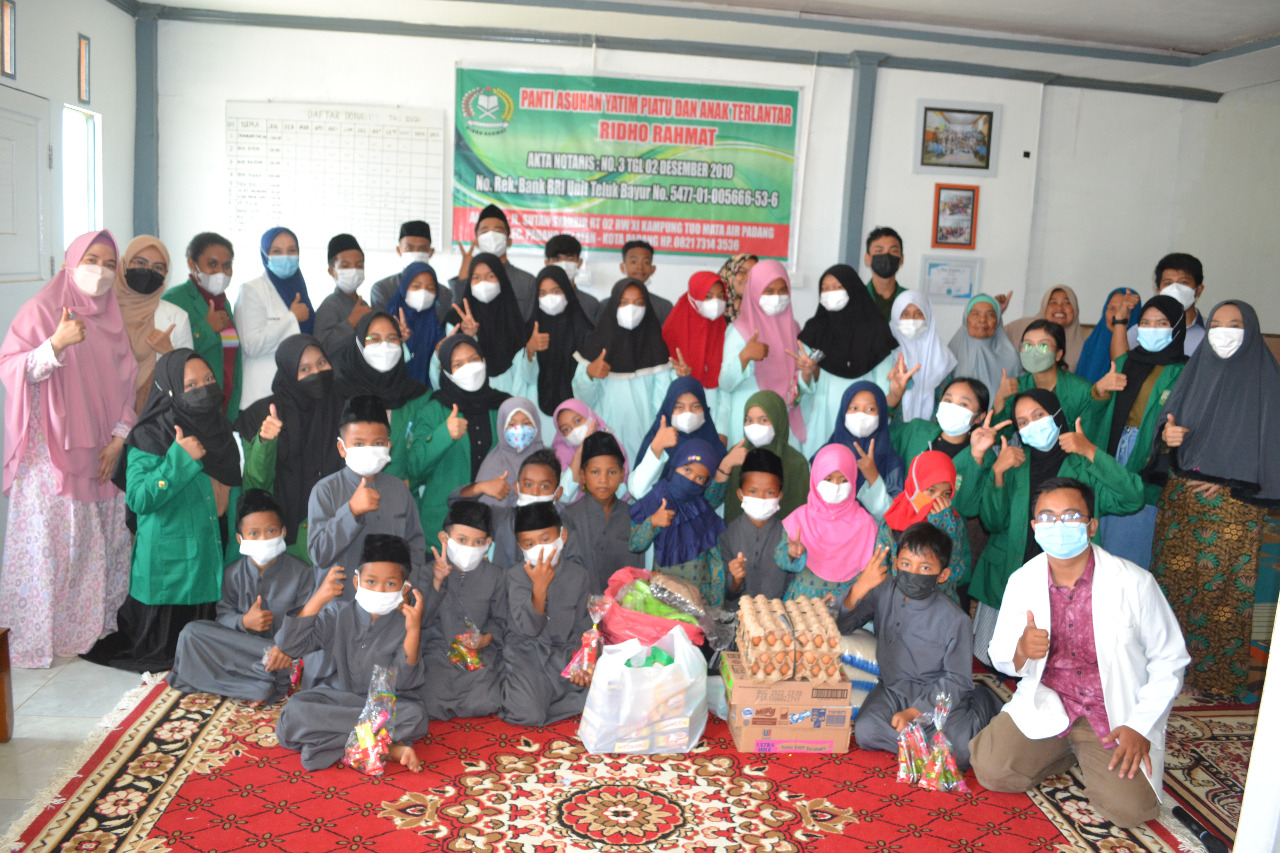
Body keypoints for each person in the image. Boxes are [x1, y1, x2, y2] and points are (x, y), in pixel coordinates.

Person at [969, 477, 1190, 829]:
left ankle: (1087, 752)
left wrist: (1139, 726)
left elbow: (1170, 660)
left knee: (1130, 812)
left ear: (1091, 525)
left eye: (1071, 516)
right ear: (1034, 527)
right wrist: (1022, 651)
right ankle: (1067, 753)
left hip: (1113, 714)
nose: (1058, 526)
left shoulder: (1134, 583)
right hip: (1051, 701)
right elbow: (998, 653)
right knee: (991, 770)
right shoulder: (1023, 580)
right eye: (1047, 517)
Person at [0, 230, 138, 668]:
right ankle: (36, 636)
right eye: (91, 258)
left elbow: (127, 385)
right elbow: (11, 368)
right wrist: (54, 344)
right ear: (69, 262)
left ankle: (86, 631)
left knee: (96, 546)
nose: (100, 270)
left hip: (101, 454)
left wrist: (119, 439)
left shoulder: (112, 320)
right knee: (51, 547)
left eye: (109, 263)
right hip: (51, 457)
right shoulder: (42, 310)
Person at [1146, 300, 1280, 700]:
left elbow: (1272, 451)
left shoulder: (1267, 383)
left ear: (1251, 330)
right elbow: (1166, 432)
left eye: (1234, 324)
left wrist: (1229, 482)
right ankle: (1171, 672)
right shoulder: (1196, 372)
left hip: (1237, 516)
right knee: (1174, 592)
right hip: (1182, 511)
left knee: (1223, 601)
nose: (1223, 331)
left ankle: (1222, 681)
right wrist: (1166, 440)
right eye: (1217, 323)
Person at [84, 349, 242, 673]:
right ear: (170, 390)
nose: (203, 388)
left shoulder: (219, 429)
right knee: (168, 661)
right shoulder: (148, 434)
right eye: (191, 384)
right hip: (168, 571)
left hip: (207, 561)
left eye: (208, 380)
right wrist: (179, 459)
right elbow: (139, 499)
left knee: (208, 657)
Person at [968, 389, 1145, 666]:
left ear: (1057, 415)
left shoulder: (1083, 465)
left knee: (1059, 665)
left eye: (1039, 415)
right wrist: (998, 474)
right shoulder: (1014, 463)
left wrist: (1089, 450)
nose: (1032, 425)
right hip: (1009, 574)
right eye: (1023, 422)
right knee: (1001, 659)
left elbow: (1132, 498)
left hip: (1066, 580)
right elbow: (993, 522)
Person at [839, 524, 1001, 770]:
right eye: (906, 564)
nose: (913, 573)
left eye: (925, 568)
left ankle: (982, 700)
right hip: (893, 689)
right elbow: (843, 625)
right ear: (895, 563)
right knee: (865, 732)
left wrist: (915, 712)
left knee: (961, 754)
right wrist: (860, 587)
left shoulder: (955, 619)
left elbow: (956, 680)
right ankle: (928, 750)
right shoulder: (884, 590)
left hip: (937, 695)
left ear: (942, 575)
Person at [276, 533, 429, 772]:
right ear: (357, 582)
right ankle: (383, 747)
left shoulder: (405, 623)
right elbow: (290, 645)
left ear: (404, 588)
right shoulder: (337, 613)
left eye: (390, 584)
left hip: (380, 707)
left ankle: (326, 743)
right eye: (371, 581)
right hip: (333, 699)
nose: (379, 590)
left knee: (416, 716)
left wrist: (413, 631)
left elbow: (407, 681)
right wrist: (318, 599)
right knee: (292, 715)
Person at [167, 490, 315, 702]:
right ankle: (259, 685)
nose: (264, 539)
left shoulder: (302, 574)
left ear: (283, 532)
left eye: (271, 530)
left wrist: (284, 647)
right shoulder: (232, 573)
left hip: (282, 654)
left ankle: (259, 683)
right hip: (244, 650)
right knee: (191, 633)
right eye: (254, 533)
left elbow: (305, 624)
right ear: (240, 538)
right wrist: (243, 621)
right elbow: (223, 617)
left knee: (297, 658)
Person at [1091, 296, 1188, 569]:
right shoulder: (1127, 362)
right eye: (1145, 322)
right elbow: (1100, 406)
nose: (1151, 328)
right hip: (1114, 450)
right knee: (1102, 538)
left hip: (1150, 457)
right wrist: (1098, 391)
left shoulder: (1185, 370)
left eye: (1161, 323)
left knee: (1130, 541)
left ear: (1177, 327)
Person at [236, 334, 345, 564]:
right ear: (288, 373)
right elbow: (255, 485)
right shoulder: (262, 414)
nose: (316, 372)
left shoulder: (344, 405)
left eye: (321, 363)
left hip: (339, 533)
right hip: (285, 542)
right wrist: (265, 442)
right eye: (304, 369)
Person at [306, 395, 428, 598]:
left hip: (389, 606)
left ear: (388, 446)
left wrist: (408, 586)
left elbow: (415, 546)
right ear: (341, 448)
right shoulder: (325, 491)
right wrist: (351, 512)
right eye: (359, 443)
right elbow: (319, 554)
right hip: (340, 608)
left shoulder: (399, 490)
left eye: (378, 442)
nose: (369, 449)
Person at [388, 334, 506, 538]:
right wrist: (444, 435)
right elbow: (414, 467)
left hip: (494, 522)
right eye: (457, 364)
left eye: (474, 359)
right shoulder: (433, 409)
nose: (468, 367)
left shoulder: (503, 406)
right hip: (443, 523)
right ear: (447, 372)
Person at [500, 502, 593, 726]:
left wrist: (584, 662)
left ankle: (545, 698)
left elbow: (584, 627)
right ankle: (518, 691)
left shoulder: (577, 575)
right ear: (520, 546)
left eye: (545, 540)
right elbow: (530, 629)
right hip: (527, 654)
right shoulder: (516, 576)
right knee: (529, 715)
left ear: (562, 536)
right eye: (529, 544)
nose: (538, 549)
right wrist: (539, 587)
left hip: (564, 654)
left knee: (606, 694)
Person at [420, 499, 507, 720]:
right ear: (444, 538)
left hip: (478, 654)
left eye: (478, 542)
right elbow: (421, 621)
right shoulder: (427, 571)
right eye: (461, 540)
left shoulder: (496, 575)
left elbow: (500, 620)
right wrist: (437, 583)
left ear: (488, 542)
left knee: (487, 702)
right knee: (431, 703)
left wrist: (486, 640)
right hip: (437, 653)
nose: (470, 547)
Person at [571, 278, 674, 459]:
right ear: (613, 306)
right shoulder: (595, 348)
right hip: (604, 438)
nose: (631, 309)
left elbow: (662, 402)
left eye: (638, 303)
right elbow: (582, 399)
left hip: (646, 438)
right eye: (623, 303)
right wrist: (590, 375)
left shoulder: (656, 349)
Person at [629, 439, 730, 606]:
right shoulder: (656, 500)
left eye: (699, 478)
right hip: (662, 600)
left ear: (706, 483)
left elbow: (716, 564)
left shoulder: (704, 513)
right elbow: (635, 544)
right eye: (687, 470)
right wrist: (652, 522)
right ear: (675, 466)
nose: (690, 479)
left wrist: (715, 607)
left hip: (699, 601)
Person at [718, 259, 803, 447]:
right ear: (755, 291)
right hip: (748, 420)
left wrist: (808, 372)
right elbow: (725, 383)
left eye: (782, 290)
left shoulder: (793, 328)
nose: (777, 297)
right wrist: (745, 356)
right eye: (769, 291)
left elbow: (799, 381)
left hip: (783, 418)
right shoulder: (739, 331)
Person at [779, 444, 878, 602]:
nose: (836, 487)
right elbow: (779, 558)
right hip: (801, 602)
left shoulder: (865, 524)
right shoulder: (799, 518)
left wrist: (846, 598)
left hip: (843, 605)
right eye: (828, 479)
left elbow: (870, 574)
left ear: (853, 480)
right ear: (816, 477)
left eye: (844, 480)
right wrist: (790, 552)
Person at [163, 232, 242, 420]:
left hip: (224, 408)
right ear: (192, 264)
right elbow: (168, 358)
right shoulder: (174, 300)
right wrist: (206, 328)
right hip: (191, 409)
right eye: (212, 264)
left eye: (226, 265)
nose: (220, 272)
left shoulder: (224, 303)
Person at [235, 227, 315, 407]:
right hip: (261, 397)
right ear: (265, 255)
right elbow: (251, 345)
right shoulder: (252, 290)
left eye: (292, 251)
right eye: (277, 251)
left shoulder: (300, 291)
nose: (286, 257)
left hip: (295, 394)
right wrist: (292, 318)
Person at [877, 451, 971, 603]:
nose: (937, 500)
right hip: (897, 604)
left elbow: (955, 573)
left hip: (939, 607)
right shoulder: (891, 522)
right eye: (931, 491)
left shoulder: (953, 522)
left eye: (946, 494)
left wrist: (945, 528)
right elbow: (879, 570)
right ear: (913, 487)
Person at [115, 235, 193, 414]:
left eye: (158, 267)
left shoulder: (177, 317)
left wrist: (168, 352)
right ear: (125, 264)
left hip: (152, 411)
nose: (148, 271)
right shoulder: (103, 309)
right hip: (104, 405)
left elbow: (189, 377)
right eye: (140, 263)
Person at [993, 320, 1104, 442]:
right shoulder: (1016, 387)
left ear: (1058, 354)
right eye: (1028, 345)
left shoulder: (1082, 391)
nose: (1034, 352)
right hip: (1030, 458)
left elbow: (1090, 443)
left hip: (1071, 458)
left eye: (1043, 346)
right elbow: (1000, 436)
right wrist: (1000, 398)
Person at [439, 252, 532, 396]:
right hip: (465, 399)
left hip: (508, 399)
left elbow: (521, 373)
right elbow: (447, 366)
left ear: (501, 279)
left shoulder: (513, 319)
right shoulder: (456, 320)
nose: (483, 283)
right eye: (476, 277)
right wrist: (468, 336)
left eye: (490, 276)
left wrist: (512, 406)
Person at [562, 432, 634, 594]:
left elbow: (635, 572)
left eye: (612, 472)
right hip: (582, 609)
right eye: (595, 472)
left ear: (622, 474)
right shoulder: (570, 517)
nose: (603, 480)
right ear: (582, 476)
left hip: (624, 609)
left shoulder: (631, 516)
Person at [722, 390, 809, 523]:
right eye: (749, 420)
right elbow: (712, 500)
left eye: (763, 420)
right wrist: (726, 465)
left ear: (777, 420)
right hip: (736, 539)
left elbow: (802, 514)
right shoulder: (736, 454)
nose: (755, 426)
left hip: (784, 540)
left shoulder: (796, 463)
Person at [628, 377, 724, 497]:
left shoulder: (712, 442)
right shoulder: (658, 439)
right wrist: (657, 447)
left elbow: (716, 496)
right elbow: (637, 491)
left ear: (704, 409)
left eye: (695, 407)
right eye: (679, 407)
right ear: (668, 410)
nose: (688, 413)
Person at [822, 380, 907, 512]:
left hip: (872, 531)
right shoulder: (824, 457)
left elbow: (896, 515)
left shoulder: (892, 462)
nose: (861, 415)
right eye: (854, 408)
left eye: (870, 409)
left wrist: (873, 477)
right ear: (843, 412)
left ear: (882, 414)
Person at [525, 265, 595, 423]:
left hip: (577, 415)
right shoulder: (528, 330)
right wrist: (530, 350)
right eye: (542, 293)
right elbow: (525, 379)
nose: (549, 298)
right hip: (536, 413)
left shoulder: (585, 331)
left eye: (556, 291)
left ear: (567, 292)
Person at [721, 448, 792, 601]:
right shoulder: (727, 534)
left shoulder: (788, 534)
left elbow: (792, 585)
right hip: (737, 617)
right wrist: (735, 579)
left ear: (779, 496)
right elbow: (725, 593)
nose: (761, 498)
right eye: (753, 491)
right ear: (740, 495)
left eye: (769, 492)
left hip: (778, 617)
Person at [1112, 253, 1209, 362]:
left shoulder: (1211, 331)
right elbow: (1120, 365)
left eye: (1183, 282)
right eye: (1168, 283)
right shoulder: (1143, 329)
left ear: (1198, 290)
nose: (1175, 289)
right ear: (1159, 291)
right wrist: (1120, 319)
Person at [450, 204, 538, 320]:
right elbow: (457, 314)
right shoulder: (468, 278)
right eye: (485, 231)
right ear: (476, 241)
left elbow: (530, 321)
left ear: (509, 241)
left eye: (498, 231)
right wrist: (464, 276)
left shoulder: (527, 281)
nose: (491, 235)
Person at [329, 310, 428, 410]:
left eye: (392, 338)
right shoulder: (338, 397)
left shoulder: (417, 395)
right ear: (359, 344)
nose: (385, 346)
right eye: (374, 339)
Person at [661, 271, 728, 414]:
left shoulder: (724, 328)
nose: (715, 302)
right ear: (693, 297)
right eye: (708, 296)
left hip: (717, 410)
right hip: (681, 410)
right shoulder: (673, 330)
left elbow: (727, 382)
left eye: (720, 296)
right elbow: (660, 380)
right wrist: (681, 374)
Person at [890, 290, 957, 421]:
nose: (912, 320)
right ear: (896, 316)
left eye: (919, 314)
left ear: (928, 316)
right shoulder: (886, 352)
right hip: (892, 431)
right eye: (905, 314)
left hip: (930, 431)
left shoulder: (943, 357)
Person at [383, 261, 447, 388]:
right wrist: (396, 340)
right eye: (416, 287)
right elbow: (368, 342)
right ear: (404, 287)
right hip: (393, 395)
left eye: (430, 288)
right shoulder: (386, 319)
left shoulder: (436, 324)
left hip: (428, 396)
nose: (423, 293)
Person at [550, 399, 628, 502]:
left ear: (589, 416)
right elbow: (564, 495)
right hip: (575, 513)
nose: (574, 430)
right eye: (566, 429)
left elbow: (620, 488)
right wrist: (581, 449)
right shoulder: (561, 453)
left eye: (578, 421)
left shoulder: (608, 442)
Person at [947, 294, 1020, 402]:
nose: (982, 320)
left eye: (990, 315)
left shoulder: (1011, 358)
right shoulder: (948, 355)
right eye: (975, 314)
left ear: (998, 320)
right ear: (966, 318)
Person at [370, 220, 451, 318]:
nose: (416, 253)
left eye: (422, 249)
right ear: (399, 251)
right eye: (409, 248)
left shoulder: (444, 294)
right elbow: (375, 330)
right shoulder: (383, 289)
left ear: (431, 252)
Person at [313, 233, 370, 359]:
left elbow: (367, 338)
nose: (354, 270)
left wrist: (374, 337)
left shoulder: (363, 305)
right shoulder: (329, 306)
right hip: (339, 377)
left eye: (359, 265)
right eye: (345, 266)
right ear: (332, 271)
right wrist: (350, 323)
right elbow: (322, 348)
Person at [1004, 285, 1085, 371]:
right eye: (1053, 303)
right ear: (1044, 307)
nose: (1059, 308)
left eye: (1066, 303)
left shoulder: (1086, 343)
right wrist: (997, 309)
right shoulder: (1021, 327)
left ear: (1075, 308)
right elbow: (993, 340)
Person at [1075, 287, 1140, 384]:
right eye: (1111, 308)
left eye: (1123, 309)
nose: (1116, 314)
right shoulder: (1092, 342)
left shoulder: (1139, 348)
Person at [543, 233, 601, 323]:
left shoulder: (591, 304)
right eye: (557, 259)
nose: (564, 264)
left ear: (579, 263)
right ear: (547, 263)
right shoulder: (535, 301)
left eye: (569, 259)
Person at [619, 240, 673, 322]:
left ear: (652, 269)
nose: (640, 267)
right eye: (633, 262)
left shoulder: (664, 307)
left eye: (646, 262)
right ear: (623, 267)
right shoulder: (606, 306)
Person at [863, 226, 906, 321]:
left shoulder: (911, 300)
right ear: (868, 259)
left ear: (901, 259)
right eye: (879, 251)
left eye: (893, 251)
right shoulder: (856, 299)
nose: (886, 255)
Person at [717, 252, 758, 321]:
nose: (749, 278)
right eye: (742, 272)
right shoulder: (716, 310)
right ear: (729, 274)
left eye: (754, 273)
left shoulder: (762, 310)